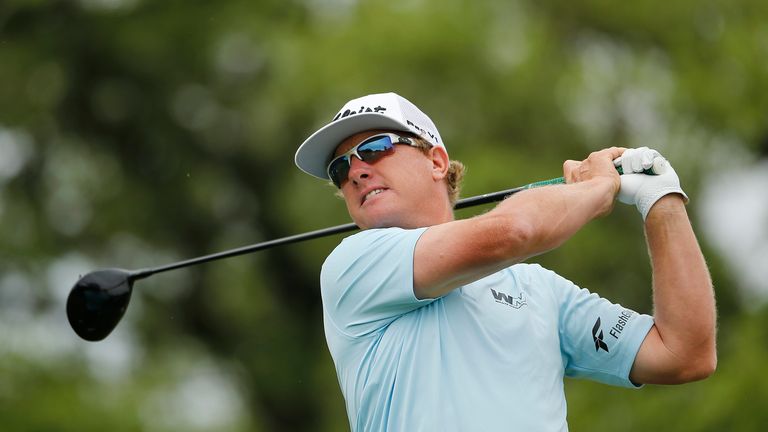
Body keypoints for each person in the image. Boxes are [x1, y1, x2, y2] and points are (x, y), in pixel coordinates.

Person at [294, 92, 716, 431]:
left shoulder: (538, 289)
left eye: (375, 148)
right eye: (340, 167)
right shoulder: (353, 265)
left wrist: (661, 201)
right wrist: (599, 188)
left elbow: (684, 354)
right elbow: (514, 232)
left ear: (436, 161)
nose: (356, 171)